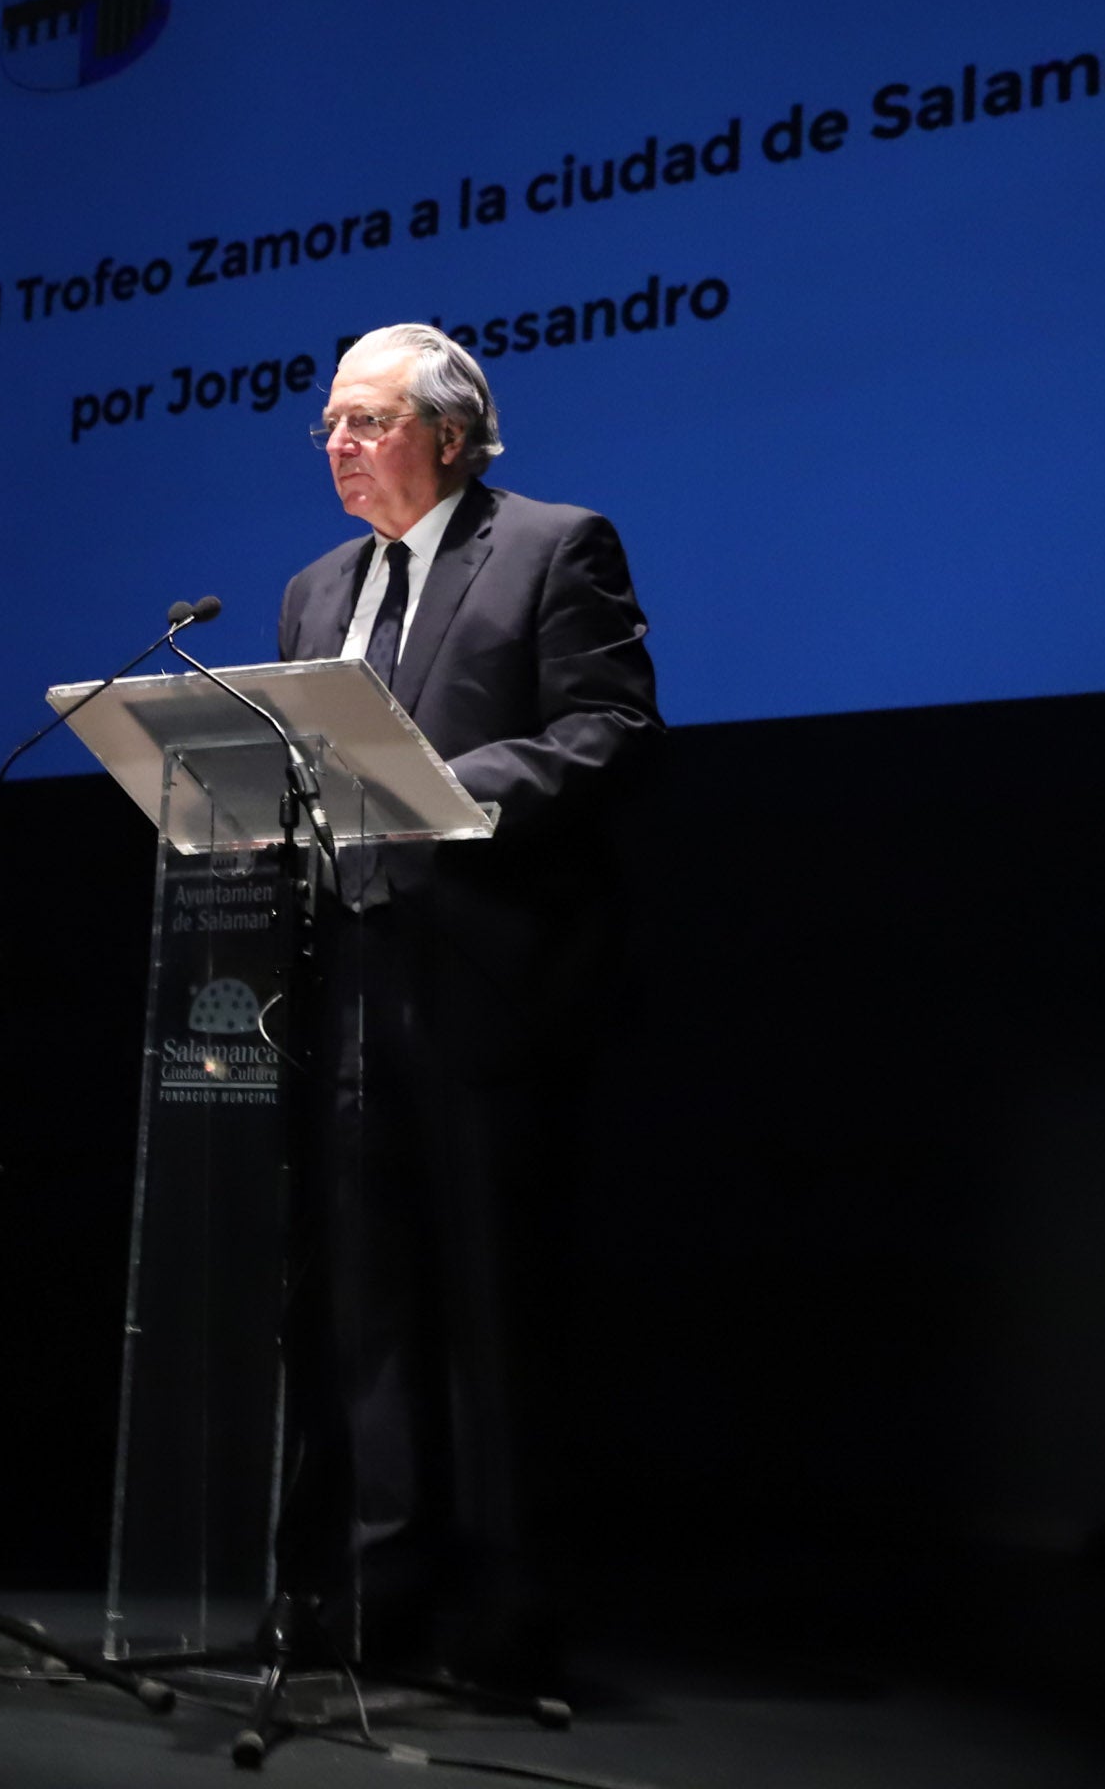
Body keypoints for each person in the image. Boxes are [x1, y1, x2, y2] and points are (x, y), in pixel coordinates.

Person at [271, 323, 661, 1685]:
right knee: (367, 1313)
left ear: (446, 433)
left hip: (489, 988)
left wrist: (444, 792)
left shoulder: (554, 546)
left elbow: (606, 731)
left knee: (493, 1318)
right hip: (351, 983)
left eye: (367, 422)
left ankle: (506, 1616)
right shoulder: (313, 592)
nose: (337, 445)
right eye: (327, 423)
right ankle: (375, 1597)